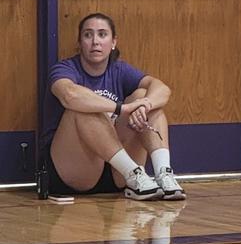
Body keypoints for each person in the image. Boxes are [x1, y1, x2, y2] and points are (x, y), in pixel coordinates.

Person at [42, 12, 186, 200]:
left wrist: (144, 104)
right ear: (80, 43)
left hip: (118, 172)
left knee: (143, 97)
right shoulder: (65, 68)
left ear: (113, 42)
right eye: (88, 35)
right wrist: (120, 108)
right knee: (82, 108)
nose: (95, 41)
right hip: (75, 170)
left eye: (102, 34)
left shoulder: (120, 69)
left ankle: (163, 173)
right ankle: (133, 173)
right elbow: (70, 95)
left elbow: (162, 88)